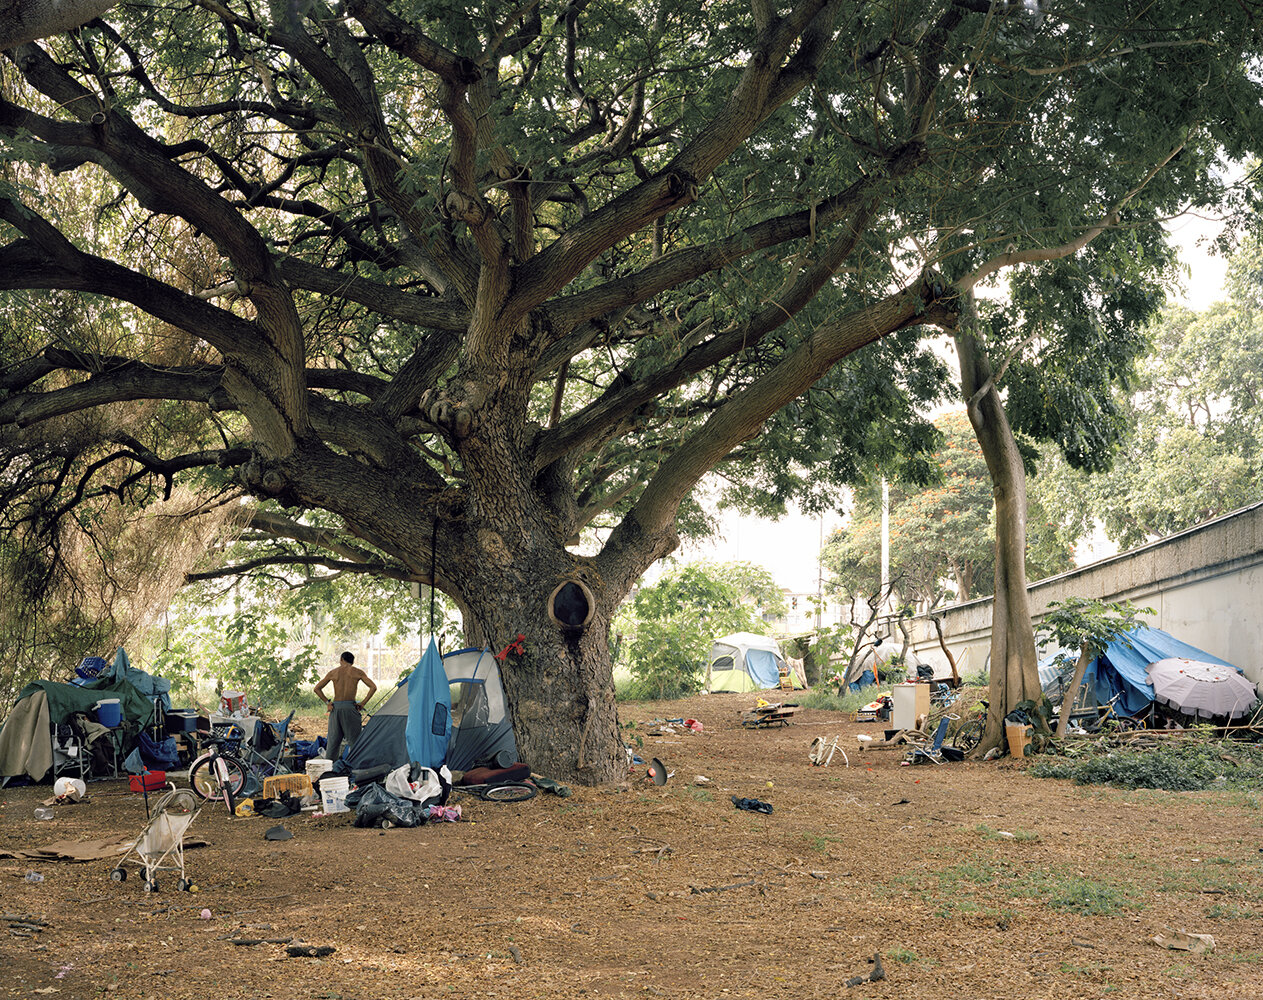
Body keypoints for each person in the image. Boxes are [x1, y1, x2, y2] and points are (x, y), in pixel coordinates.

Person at [314, 651, 377, 763]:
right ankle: (355, 768)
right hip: (350, 707)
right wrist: (363, 703)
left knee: (333, 742)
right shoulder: (357, 672)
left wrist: (327, 702)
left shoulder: (333, 672)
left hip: (335, 708)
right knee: (355, 742)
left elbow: (317, 688)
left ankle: (330, 770)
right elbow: (373, 687)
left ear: (341, 659)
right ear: (352, 661)